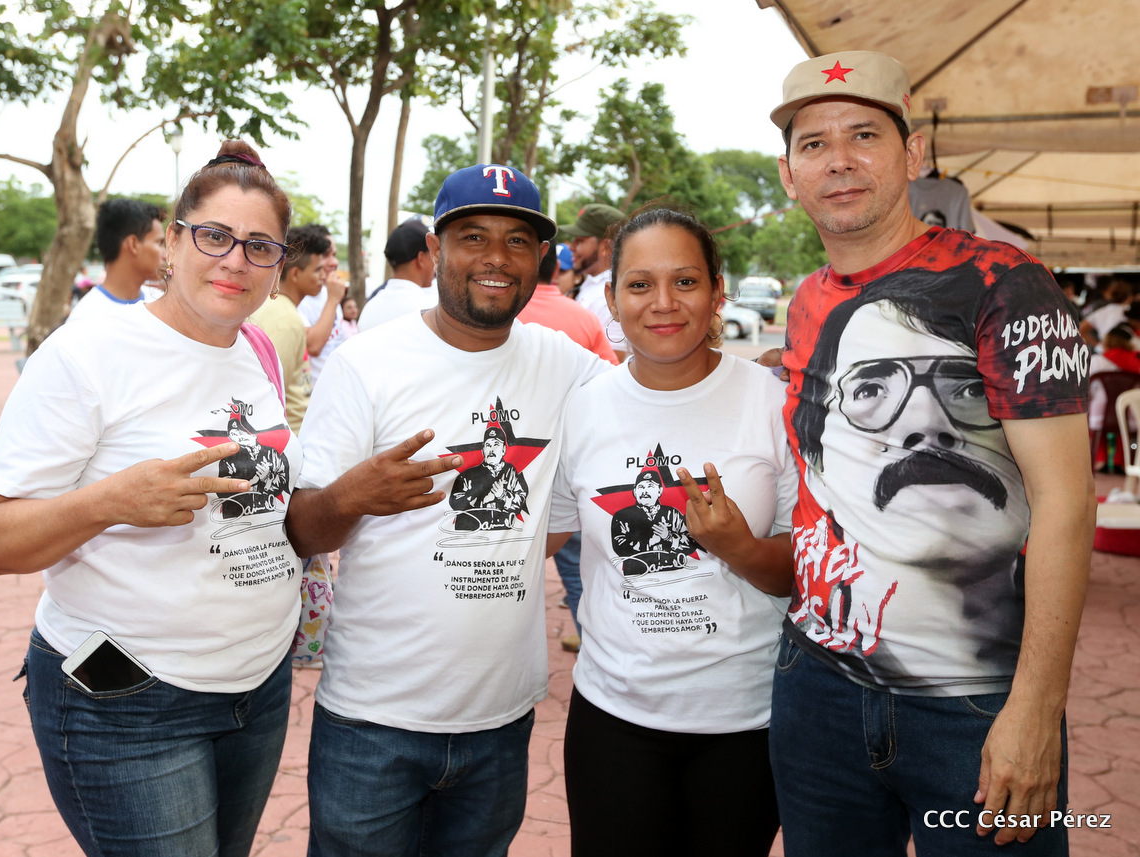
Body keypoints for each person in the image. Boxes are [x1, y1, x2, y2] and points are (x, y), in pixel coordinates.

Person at [768, 50, 1094, 856]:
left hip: (977, 704)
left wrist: (1035, 708)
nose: (839, 160)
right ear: (788, 176)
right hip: (818, 689)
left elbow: (1067, 502)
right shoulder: (807, 300)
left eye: (864, 135)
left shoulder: (1007, 284)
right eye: (814, 144)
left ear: (913, 154)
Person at [0, 141, 303, 857]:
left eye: (260, 246)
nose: (235, 260)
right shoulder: (87, 354)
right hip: (128, 701)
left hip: (257, 687)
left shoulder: (257, 351)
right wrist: (110, 501)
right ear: (171, 243)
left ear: (278, 267)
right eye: (214, 236)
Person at [286, 162, 608, 857]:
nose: (496, 257)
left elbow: (653, 399)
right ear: (436, 250)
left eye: (517, 241)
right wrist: (351, 496)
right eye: (473, 237)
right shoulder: (367, 364)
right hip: (373, 719)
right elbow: (303, 529)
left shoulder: (566, 364)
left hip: (501, 716)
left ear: (539, 258)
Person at [549, 207, 793, 857]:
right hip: (613, 714)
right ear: (611, 298)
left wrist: (739, 547)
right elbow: (544, 536)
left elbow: (804, 569)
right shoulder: (583, 409)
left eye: (685, 281)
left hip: (747, 718)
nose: (662, 302)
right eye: (639, 284)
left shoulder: (772, 401)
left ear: (718, 292)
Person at [516, 240, 619, 651]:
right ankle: (592, 644)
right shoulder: (583, 316)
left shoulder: (505, 318)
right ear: (557, 271)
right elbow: (615, 383)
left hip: (515, 464)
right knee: (575, 570)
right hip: (572, 462)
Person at [249, 223, 331, 432]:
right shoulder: (286, 320)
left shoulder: (281, 310)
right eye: (317, 270)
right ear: (295, 274)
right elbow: (272, 391)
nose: (323, 277)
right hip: (291, 432)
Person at [68, 198, 166, 321]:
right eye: (159, 243)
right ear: (133, 244)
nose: (165, 254)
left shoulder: (161, 303)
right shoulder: (86, 318)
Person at [561, 203, 628, 362]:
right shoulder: (595, 285)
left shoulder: (610, 294)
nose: (572, 247)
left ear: (606, 247)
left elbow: (613, 362)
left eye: (580, 241)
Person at [357, 217, 437, 332]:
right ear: (421, 259)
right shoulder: (429, 310)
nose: (436, 262)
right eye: (432, 255)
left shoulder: (369, 308)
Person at [295, 223, 350, 385]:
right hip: (312, 392)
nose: (334, 262)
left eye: (334, 254)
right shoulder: (301, 297)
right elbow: (313, 346)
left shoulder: (329, 291)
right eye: (326, 255)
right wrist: (333, 300)